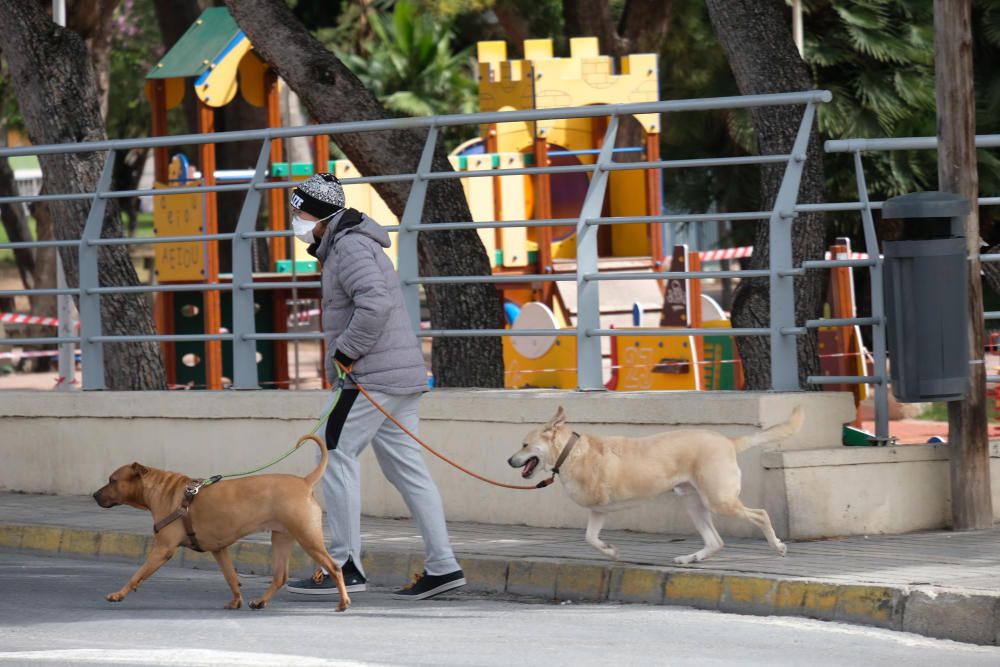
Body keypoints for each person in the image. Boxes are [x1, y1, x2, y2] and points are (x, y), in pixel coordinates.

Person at [284, 173, 466, 601]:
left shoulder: (348, 248)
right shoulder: (346, 244)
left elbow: (376, 304)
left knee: (331, 454)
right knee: (408, 470)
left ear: (319, 213)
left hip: (371, 377)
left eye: (299, 211)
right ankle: (443, 566)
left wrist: (346, 352)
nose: (295, 219)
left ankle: (345, 565)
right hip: (396, 376)